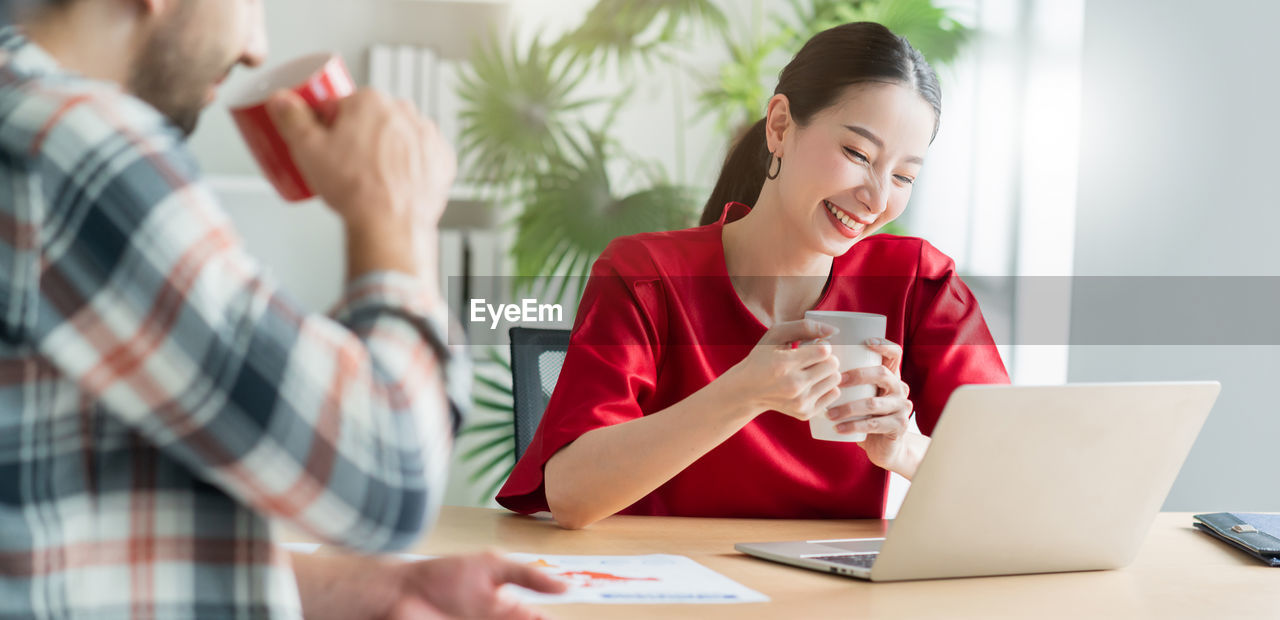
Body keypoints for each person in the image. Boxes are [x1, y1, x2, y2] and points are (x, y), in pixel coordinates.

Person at [0, 0, 563, 617]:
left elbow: (74, 539)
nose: (255, 48)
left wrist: (387, 590)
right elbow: (388, 477)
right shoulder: (72, 142)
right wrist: (393, 218)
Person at [497, 22, 1010, 529]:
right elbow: (569, 493)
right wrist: (742, 392)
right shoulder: (645, 275)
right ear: (781, 126)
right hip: (666, 590)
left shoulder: (917, 283)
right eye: (857, 154)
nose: (877, 199)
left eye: (903, 176)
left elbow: (1015, 479)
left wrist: (905, 449)